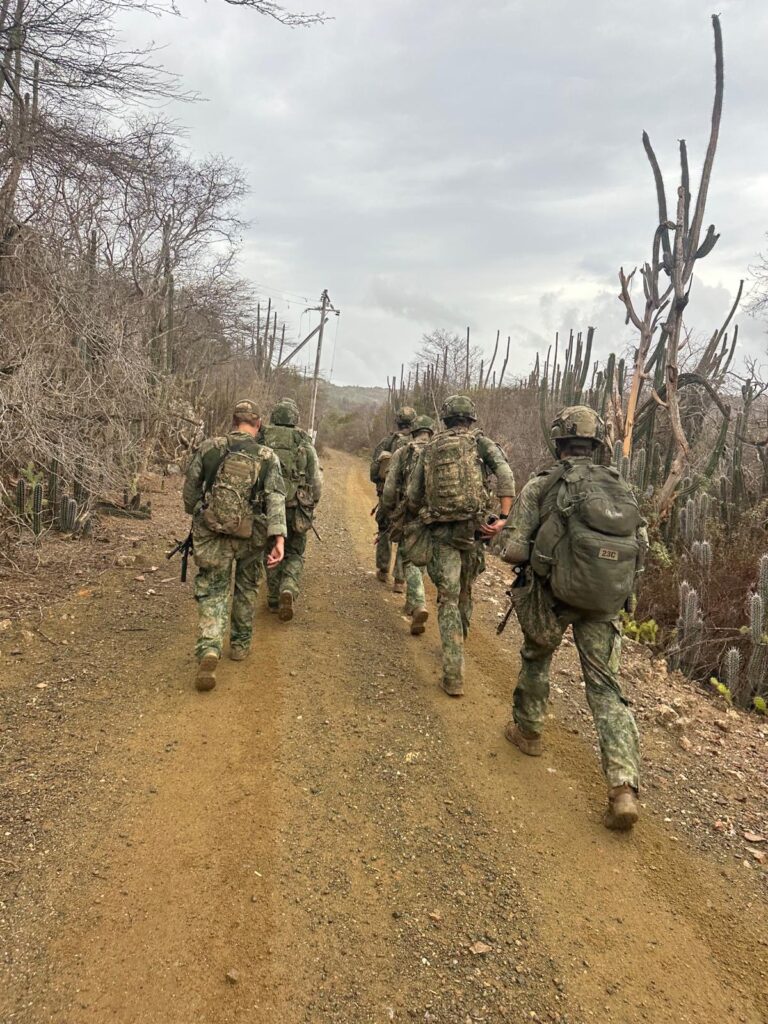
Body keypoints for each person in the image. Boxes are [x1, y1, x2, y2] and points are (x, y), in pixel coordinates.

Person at [501, 405, 646, 831]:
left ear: (559, 441)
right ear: (598, 442)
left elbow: (513, 549)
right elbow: (641, 548)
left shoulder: (543, 484)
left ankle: (528, 732)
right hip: (605, 603)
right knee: (606, 689)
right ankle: (623, 786)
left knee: (537, 656)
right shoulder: (622, 489)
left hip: (553, 597)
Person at [407, 395, 514, 696]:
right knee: (466, 591)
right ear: (471, 419)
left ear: (445, 419)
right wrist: (503, 517)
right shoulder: (482, 443)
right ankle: (459, 646)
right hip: (475, 530)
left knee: (448, 596)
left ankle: (453, 671)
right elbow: (506, 474)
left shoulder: (431, 447)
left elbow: (414, 494)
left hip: (442, 530)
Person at [183, 399, 287, 692]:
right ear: (258, 424)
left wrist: (198, 514)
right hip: (251, 535)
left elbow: (191, 490)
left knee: (213, 588)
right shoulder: (268, 457)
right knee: (247, 586)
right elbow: (276, 497)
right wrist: (278, 537)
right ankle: (239, 645)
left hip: (212, 530)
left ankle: (209, 648)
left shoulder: (210, 447)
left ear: (233, 421)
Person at [260, 398, 323, 621]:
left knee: (270, 548)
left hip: (267, 506)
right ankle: (288, 586)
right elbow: (316, 481)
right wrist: (311, 503)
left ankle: (274, 598)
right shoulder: (303, 442)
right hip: (296, 507)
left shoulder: (262, 438)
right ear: (294, 418)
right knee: (295, 552)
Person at [380, 415, 435, 636]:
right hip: (435, 514)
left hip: (410, 511)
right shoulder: (437, 450)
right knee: (422, 559)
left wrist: (390, 510)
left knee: (409, 556)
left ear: (413, 433)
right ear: (431, 432)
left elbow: (389, 488)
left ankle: (417, 602)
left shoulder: (403, 452)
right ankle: (412, 600)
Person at [370, 406, 417, 591]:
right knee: (406, 534)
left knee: (384, 529)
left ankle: (382, 570)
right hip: (410, 498)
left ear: (397, 422)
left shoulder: (387, 442)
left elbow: (374, 472)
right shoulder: (420, 444)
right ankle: (399, 580)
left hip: (387, 495)